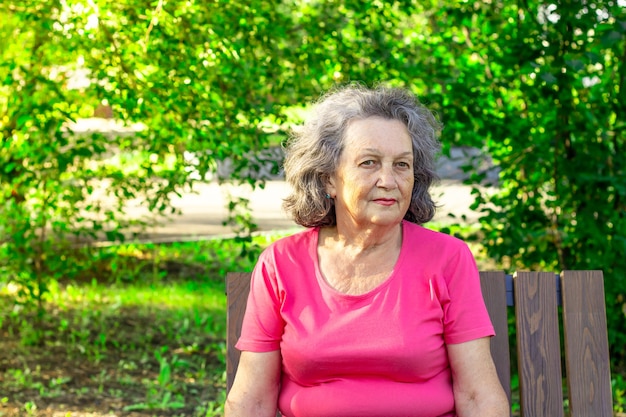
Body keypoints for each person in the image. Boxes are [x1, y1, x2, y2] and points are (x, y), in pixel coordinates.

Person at [224, 84, 509, 417]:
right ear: (329, 178)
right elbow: (252, 400)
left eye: (402, 165)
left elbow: (478, 396)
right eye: (369, 163)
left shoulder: (447, 259)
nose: (389, 180)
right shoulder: (281, 264)